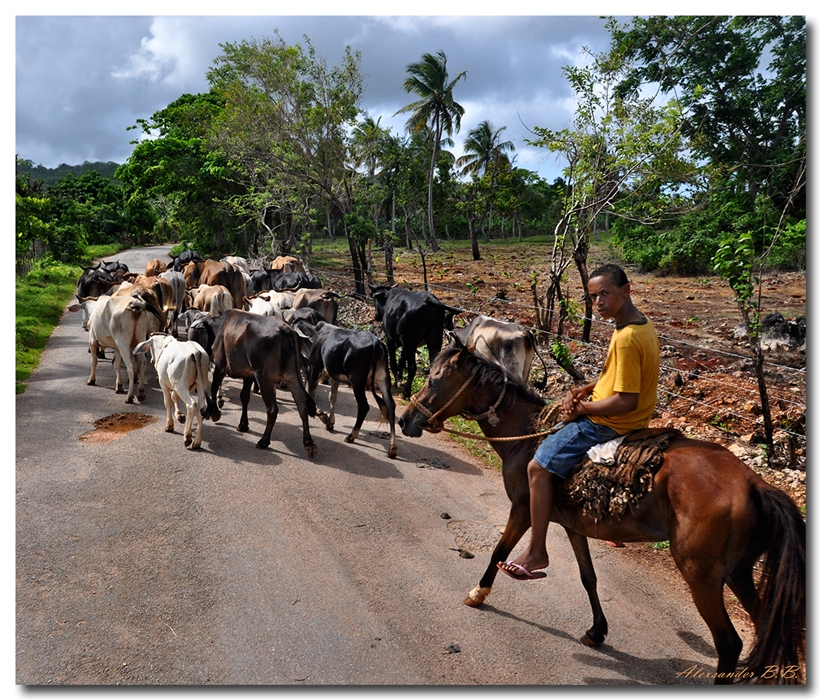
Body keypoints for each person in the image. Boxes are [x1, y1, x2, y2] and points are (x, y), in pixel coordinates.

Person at [497, 264, 660, 581]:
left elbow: (627, 400)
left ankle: (536, 553)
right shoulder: (639, 326)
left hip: (609, 423)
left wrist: (582, 408)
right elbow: (616, 380)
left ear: (626, 291)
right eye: (593, 296)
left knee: (537, 467)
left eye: (605, 294)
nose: (598, 302)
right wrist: (582, 390)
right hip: (623, 416)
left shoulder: (626, 338)